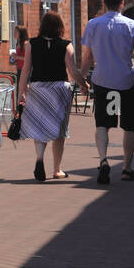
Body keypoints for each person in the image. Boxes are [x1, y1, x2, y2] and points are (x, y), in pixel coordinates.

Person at [80, 0, 134, 183]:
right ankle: (127, 168)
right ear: (122, 3)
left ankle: (103, 160)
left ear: (104, 2)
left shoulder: (93, 25)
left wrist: (82, 80)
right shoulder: (132, 25)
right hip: (126, 82)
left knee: (103, 123)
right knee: (129, 126)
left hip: (103, 82)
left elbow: (87, 56)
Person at [17, 11, 77, 181]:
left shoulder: (31, 45)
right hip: (59, 89)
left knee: (39, 126)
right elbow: (72, 70)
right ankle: (57, 169)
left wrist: (21, 92)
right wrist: (83, 83)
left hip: (38, 88)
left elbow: (26, 70)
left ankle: (39, 159)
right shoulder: (67, 45)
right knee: (60, 130)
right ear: (60, 27)